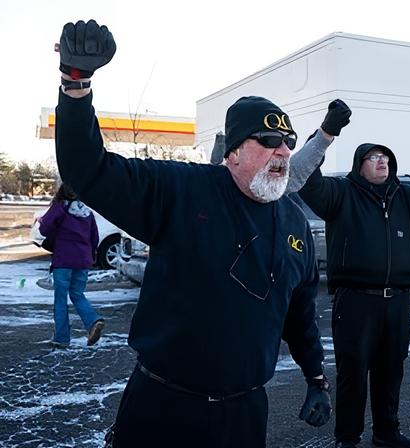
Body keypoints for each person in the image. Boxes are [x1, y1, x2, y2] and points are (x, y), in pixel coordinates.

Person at [54, 20, 351, 446]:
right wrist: (76, 84)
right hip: (162, 408)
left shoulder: (293, 224)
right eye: (269, 140)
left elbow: (299, 314)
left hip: (243, 412)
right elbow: (89, 170)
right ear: (231, 153)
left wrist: (317, 378)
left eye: (287, 141)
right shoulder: (181, 191)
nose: (284, 150)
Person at [299, 144, 410, 447]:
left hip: (397, 301)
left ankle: (386, 432)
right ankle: (347, 438)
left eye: (385, 158)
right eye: (374, 158)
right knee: (353, 373)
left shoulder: (405, 196)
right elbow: (309, 181)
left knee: (390, 371)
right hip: (356, 300)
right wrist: (319, 142)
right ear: (360, 165)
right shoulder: (341, 194)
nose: (381, 162)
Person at [38, 183, 105, 348]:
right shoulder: (86, 211)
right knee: (77, 294)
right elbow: (94, 238)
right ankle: (93, 321)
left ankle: (61, 337)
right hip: (83, 261)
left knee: (60, 299)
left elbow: (44, 229)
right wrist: (91, 256)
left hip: (64, 260)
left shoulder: (60, 207)